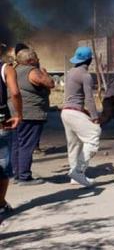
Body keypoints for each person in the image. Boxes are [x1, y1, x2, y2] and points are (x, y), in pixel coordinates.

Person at [11, 48, 54, 185]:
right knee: (27, 145)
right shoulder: (32, 71)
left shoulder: (14, 71)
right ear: (31, 60)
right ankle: (24, 176)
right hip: (31, 114)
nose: (38, 61)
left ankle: (16, 174)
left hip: (15, 112)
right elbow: (50, 83)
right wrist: (45, 73)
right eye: (37, 59)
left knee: (17, 144)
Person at [61, 47, 101, 187]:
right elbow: (89, 98)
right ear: (90, 59)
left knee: (74, 144)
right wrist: (95, 117)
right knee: (94, 134)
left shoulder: (70, 72)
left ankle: (75, 177)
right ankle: (78, 171)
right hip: (75, 112)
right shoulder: (85, 75)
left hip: (65, 112)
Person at [0, 57, 22, 222]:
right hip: (2, 123)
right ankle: (1, 204)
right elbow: (15, 92)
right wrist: (18, 114)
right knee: (2, 164)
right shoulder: (6, 68)